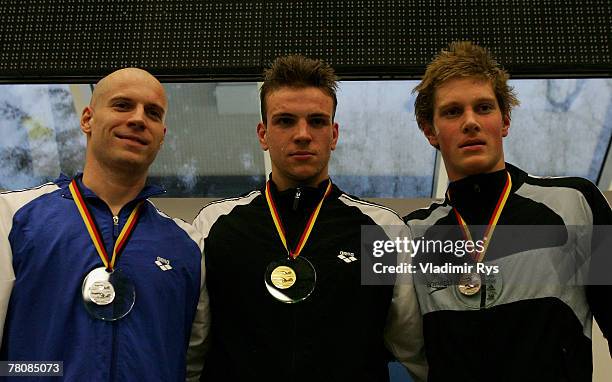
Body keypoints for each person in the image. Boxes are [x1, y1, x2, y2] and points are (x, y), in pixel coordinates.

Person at [192, 55, 426, 381]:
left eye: (317, 121)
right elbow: (194, 348)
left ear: (334, 134)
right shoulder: (214, 225)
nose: (303, 134)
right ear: (263, 134)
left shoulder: (381, 231)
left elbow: (412, 345)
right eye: (285, 121)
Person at [405, 41, 611, 381]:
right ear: (430, 132)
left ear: (505, 121)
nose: (470, 122)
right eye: (453, 112)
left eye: (484, 108)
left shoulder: (576, 202)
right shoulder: (410, 235)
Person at [0, 68, 209, 381]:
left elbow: (191, 362)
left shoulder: (188, 244)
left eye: (153, 113)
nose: (138, 119)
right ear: (87, 119)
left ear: (162, 137)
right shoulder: (13, 216)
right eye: (122, 105)